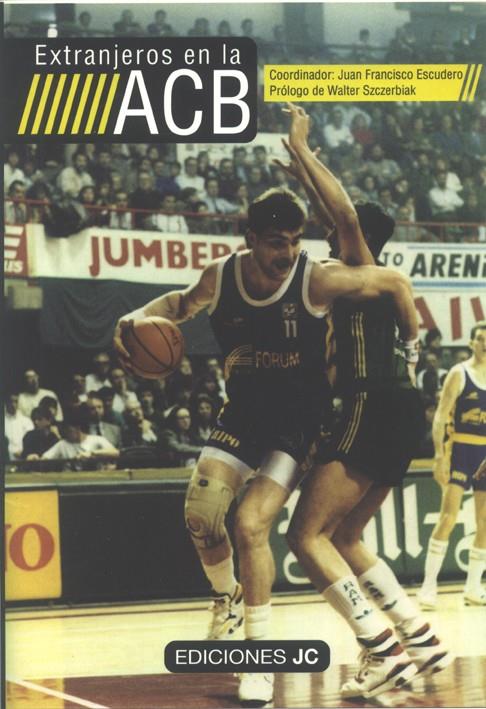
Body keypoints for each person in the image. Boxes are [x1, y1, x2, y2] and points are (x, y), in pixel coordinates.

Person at [113, 121, 417, 706]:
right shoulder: (221, 275)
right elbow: (179, 305)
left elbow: (385, 272)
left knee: (250, 525)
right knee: (201, 512)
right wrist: (134, 318)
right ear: (249, 238)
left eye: (295, 240)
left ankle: (257, 663)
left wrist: (411, 339)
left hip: (298, 424)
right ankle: (226, 600)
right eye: (276, 242)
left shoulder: (316, 279)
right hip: (244, 413)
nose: (288, 253)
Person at [283, 104, 451, 699]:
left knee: (305, 536)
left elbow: (345, 214)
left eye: (335, 232)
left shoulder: (361, 269)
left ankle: (382, 649)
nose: (328, 234)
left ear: (357, 240)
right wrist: (307, 173)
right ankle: (418, 636)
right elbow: (341, 215)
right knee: (347, 536)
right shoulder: (375, 278)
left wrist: (303, 148)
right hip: (404, 409)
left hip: (368, 401)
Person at [418, 321, 486, 608]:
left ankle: (473, 587)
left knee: (484, 523)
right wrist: (439, 456)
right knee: (448, 517)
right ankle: (428, 588)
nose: (485, 343)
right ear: (471, 343)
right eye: (480, 338)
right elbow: (440, 415)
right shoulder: (459, 373)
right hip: (460, 449)